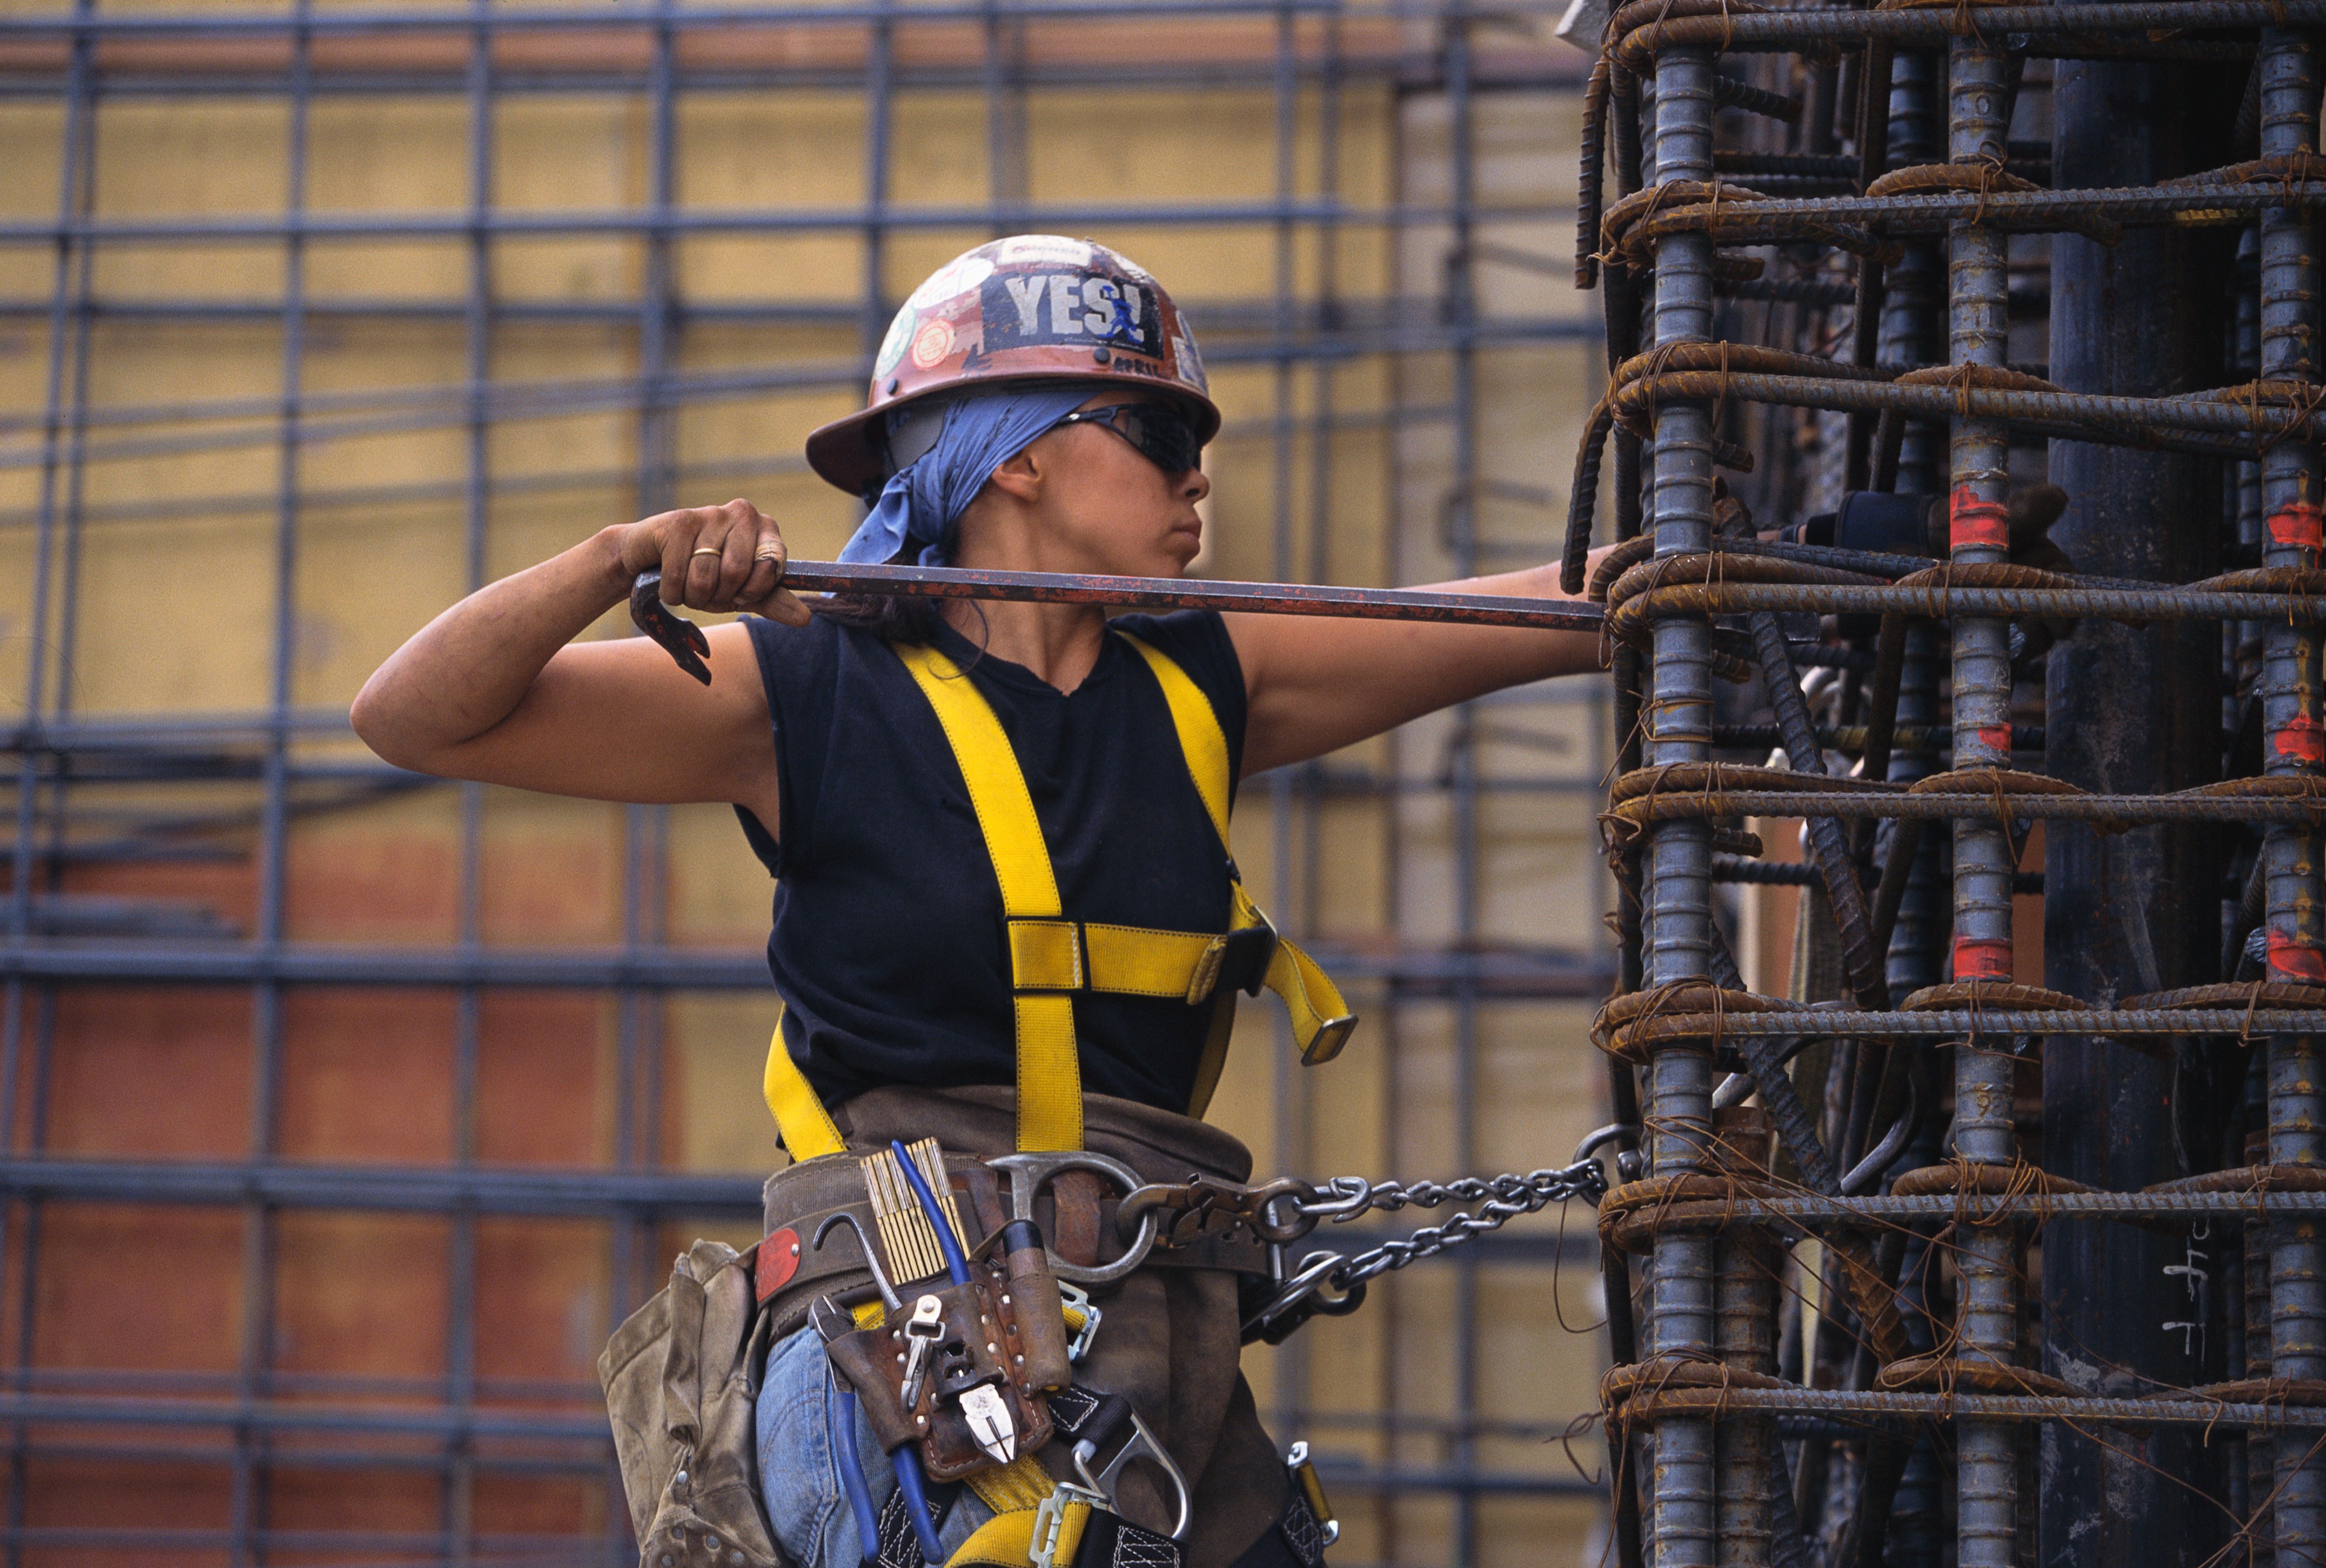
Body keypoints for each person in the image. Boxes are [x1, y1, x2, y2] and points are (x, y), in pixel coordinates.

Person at [352, 235, 1605, 1568]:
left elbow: (1556, 613)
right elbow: (413, 718)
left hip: (1148, 1348)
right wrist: (620, 561)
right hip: (913, 1358)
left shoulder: (1200, 679)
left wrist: (1787, 558)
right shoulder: (805, 691)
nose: (1196, 473)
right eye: (1152, 428)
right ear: (1014, 456)